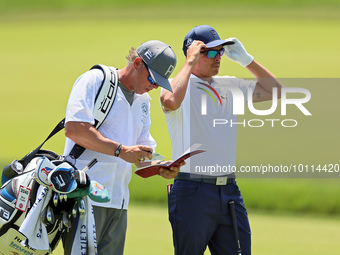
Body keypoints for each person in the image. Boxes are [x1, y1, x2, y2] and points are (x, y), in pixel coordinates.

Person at [160, 25, 284, 255]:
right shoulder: (178, 86)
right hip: (191, 190)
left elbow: (276, 91)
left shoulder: (229, 85)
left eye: (220, 52)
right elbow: (169, 101)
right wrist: (188, 63)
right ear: (193, 54)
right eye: (210, 52)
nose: (218, 57)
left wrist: (247, 60)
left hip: (229, 191)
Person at [62, 40, 183, 255]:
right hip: (84, 197)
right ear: (137, 63)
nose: (155, 87)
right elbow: (75, 129)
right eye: (153, 79)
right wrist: (121, 151)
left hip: (118, 202)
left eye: (160, 83)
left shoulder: (143, 100)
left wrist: (161, 166)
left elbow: (142, 152)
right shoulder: (95, 80)